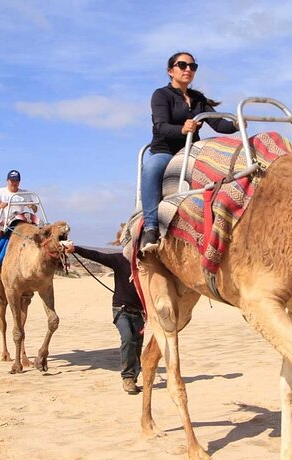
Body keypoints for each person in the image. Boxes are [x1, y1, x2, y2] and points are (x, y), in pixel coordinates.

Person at [140, 51, 240, 253]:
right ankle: (150, 227)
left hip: (193, 153)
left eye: (192, 66)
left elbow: (218, 124)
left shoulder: (198, 99)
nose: (188, 69)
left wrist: (237, 124)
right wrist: (182, 130)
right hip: (166, 152)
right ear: (171, 71)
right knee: (151, 168)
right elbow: (160, 126)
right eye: (182, 65)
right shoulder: (161, 95)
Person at [64, 242, 145, 394]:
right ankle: (127, 377)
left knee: (137, 346)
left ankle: (133, 376)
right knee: (127, 338)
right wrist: (76, 249)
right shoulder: (119, 260)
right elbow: (97, 256)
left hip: (140, 313)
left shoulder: (147, 265)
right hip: (121, 310)